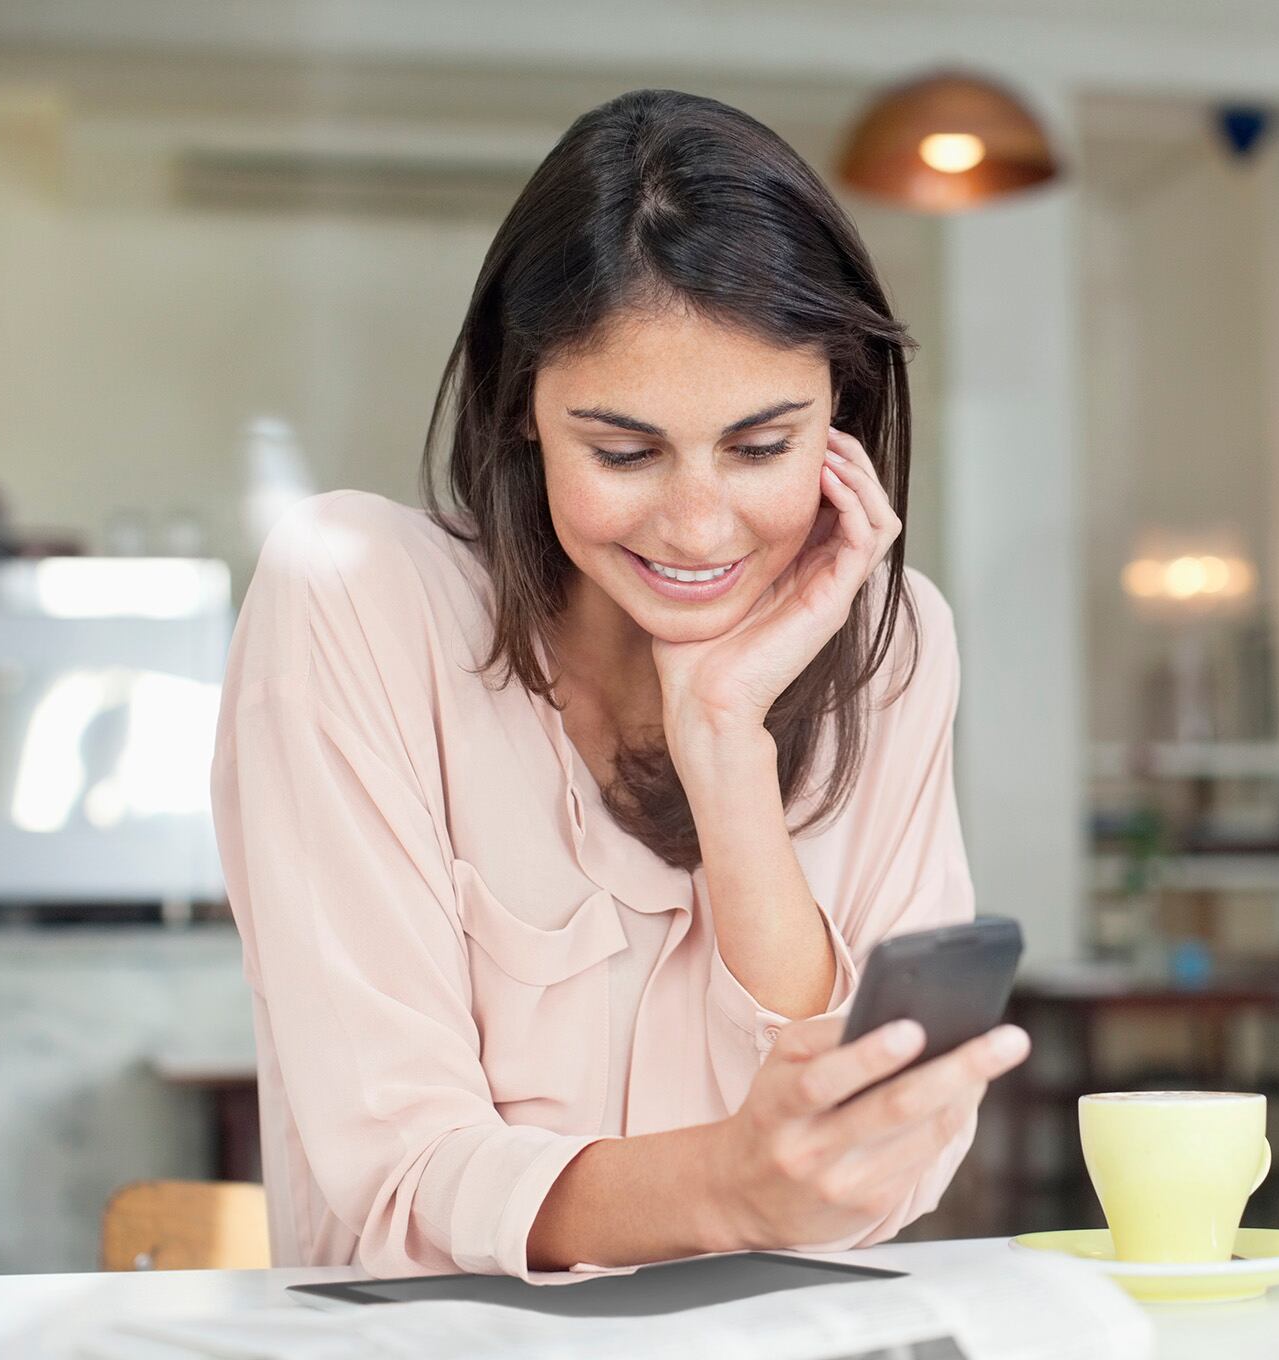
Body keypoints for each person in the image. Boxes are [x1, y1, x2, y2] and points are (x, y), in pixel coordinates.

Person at [208, 88, 1030, 1282]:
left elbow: (876, 1164)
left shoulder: (892, 652)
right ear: (523, 412)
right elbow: (396, 1179)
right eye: (625, 451)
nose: (698, 526)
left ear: (839, 421)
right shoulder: (356, 598)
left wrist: (726, 743)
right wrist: (730, 1184)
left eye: (762, 447)